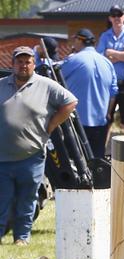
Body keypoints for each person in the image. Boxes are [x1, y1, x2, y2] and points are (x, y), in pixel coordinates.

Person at [0, 47, 77, 245]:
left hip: (31, 155)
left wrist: (51, 124)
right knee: (2, 200)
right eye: (19, 62)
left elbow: (70, 101)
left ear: (34, 64)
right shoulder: (1, 85)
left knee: (27, 198)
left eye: (27, 62)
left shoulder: (45, 85)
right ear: (12, 64)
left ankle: (22, 238)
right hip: (2, 157)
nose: (23, 65)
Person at [60, 29, 118, 159]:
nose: (73, 43)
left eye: (74, 40)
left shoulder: (74, 60)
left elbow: (57, 79)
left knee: (76, 162)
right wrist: (107, 113)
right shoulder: (107, 63)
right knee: (97, 161)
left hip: (77, 123)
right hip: (100, 122)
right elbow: (113, 93)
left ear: (80, 40)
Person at [96, 4, 124, 134]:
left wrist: (111, 52)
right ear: (110, 18)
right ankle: (101, 153)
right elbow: (100, 58)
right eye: (114, 15)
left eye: (119, 15)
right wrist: (122, 54)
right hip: (108, 83)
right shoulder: (104, 36)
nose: (117, 18)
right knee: (105, 120)